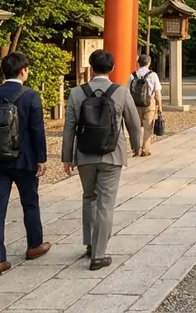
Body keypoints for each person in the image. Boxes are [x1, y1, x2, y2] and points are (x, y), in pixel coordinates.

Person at [62, 49, 142, 270]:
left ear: (91, 67)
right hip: (112, 154)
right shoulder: (121, 92)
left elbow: (69, 128)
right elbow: (133, 123)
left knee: (89, 197)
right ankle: (99, 255)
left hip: (85, 154)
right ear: (112, 68)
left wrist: (67, 157)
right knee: (106, 203)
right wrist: (137, 145)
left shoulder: (77, 93)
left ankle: (89, 243)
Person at [0, 51, 49, 275]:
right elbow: (37, 130)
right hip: (24, 158)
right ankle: (34, 244)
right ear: (23, 70)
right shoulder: (30, 96)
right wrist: (41, 158)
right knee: (29, 202)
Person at [130, 53, 163, 156]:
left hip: (135, 104)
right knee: (148, 127)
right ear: (149, 63)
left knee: (136, 127)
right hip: (149, 103)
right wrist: (160, 108)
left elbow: (128, 91)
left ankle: (135, 149)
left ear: (138, 63)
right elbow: (157, 93)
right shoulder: (153, 75)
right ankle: (145, 149)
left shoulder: (132, 75)